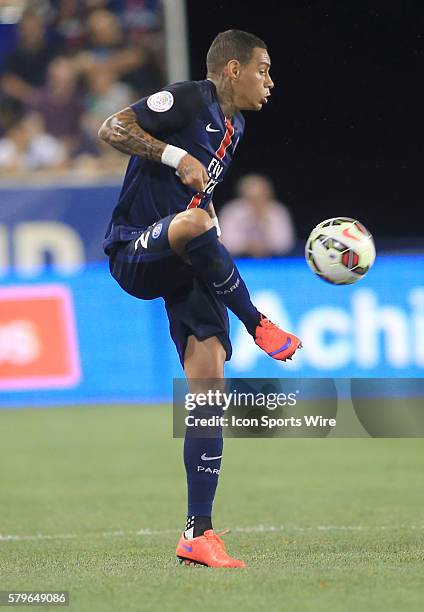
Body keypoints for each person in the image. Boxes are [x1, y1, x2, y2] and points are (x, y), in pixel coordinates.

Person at [99, 29, 302, 569]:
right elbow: (111, 126)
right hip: (135, 248)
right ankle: (259, 323)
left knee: (208, 382)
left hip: (188, 255)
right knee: (194, 221)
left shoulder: (235, 127)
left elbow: (199, 204)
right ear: (233, 69)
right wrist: (172, 154)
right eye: (263, 69)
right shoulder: (190, 99)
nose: (270, 81)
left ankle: (198, 532)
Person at [219, 174, 296, 257]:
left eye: (260, 197)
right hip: (237, 260)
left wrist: (264, 223)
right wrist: (248, 246)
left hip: (273, 261)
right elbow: (225, 242)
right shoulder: (231, 211)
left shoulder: (278, 212)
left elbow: (286, 243)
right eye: (250, 198)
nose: (256, 203)